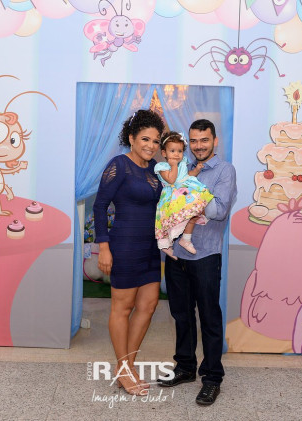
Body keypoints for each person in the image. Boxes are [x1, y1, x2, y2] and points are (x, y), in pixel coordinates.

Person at [157, 119, 237, 406]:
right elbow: (169, 200)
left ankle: (212, 378)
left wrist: (190, 192)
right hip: (177, 255)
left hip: (205, 255)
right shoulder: (183, 167)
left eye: (204, 140)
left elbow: (218, 210)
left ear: (215, 140)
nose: (198, 146)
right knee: (181, 315)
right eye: (193, 140)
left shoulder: (224, 170)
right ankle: (185, 367)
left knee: (209, 318)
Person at [94, 109, 165, 396]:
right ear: (132, 138)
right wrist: (103, 247)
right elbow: (100, 206)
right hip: (123, 246)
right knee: (122, 308)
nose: (151, 145)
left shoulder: (155, 169)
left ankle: (127, 365)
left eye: (156, 141)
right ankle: (123, 369)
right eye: (145, 139)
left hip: (150, 248)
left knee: (148, 306)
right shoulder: (119, 165)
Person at [154, 131, 214, 258]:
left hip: (185, 192)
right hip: (172, 197)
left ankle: (186, 239)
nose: (176, 154)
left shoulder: (182, 164)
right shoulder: (162, 166)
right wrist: (174, 166)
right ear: (164, 153)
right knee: (170, 222)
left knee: (192, 214)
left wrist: (196, 170)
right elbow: (171, 179)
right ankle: (166, 245)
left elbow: (186, 176)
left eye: (180, 151)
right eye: (172, 151)